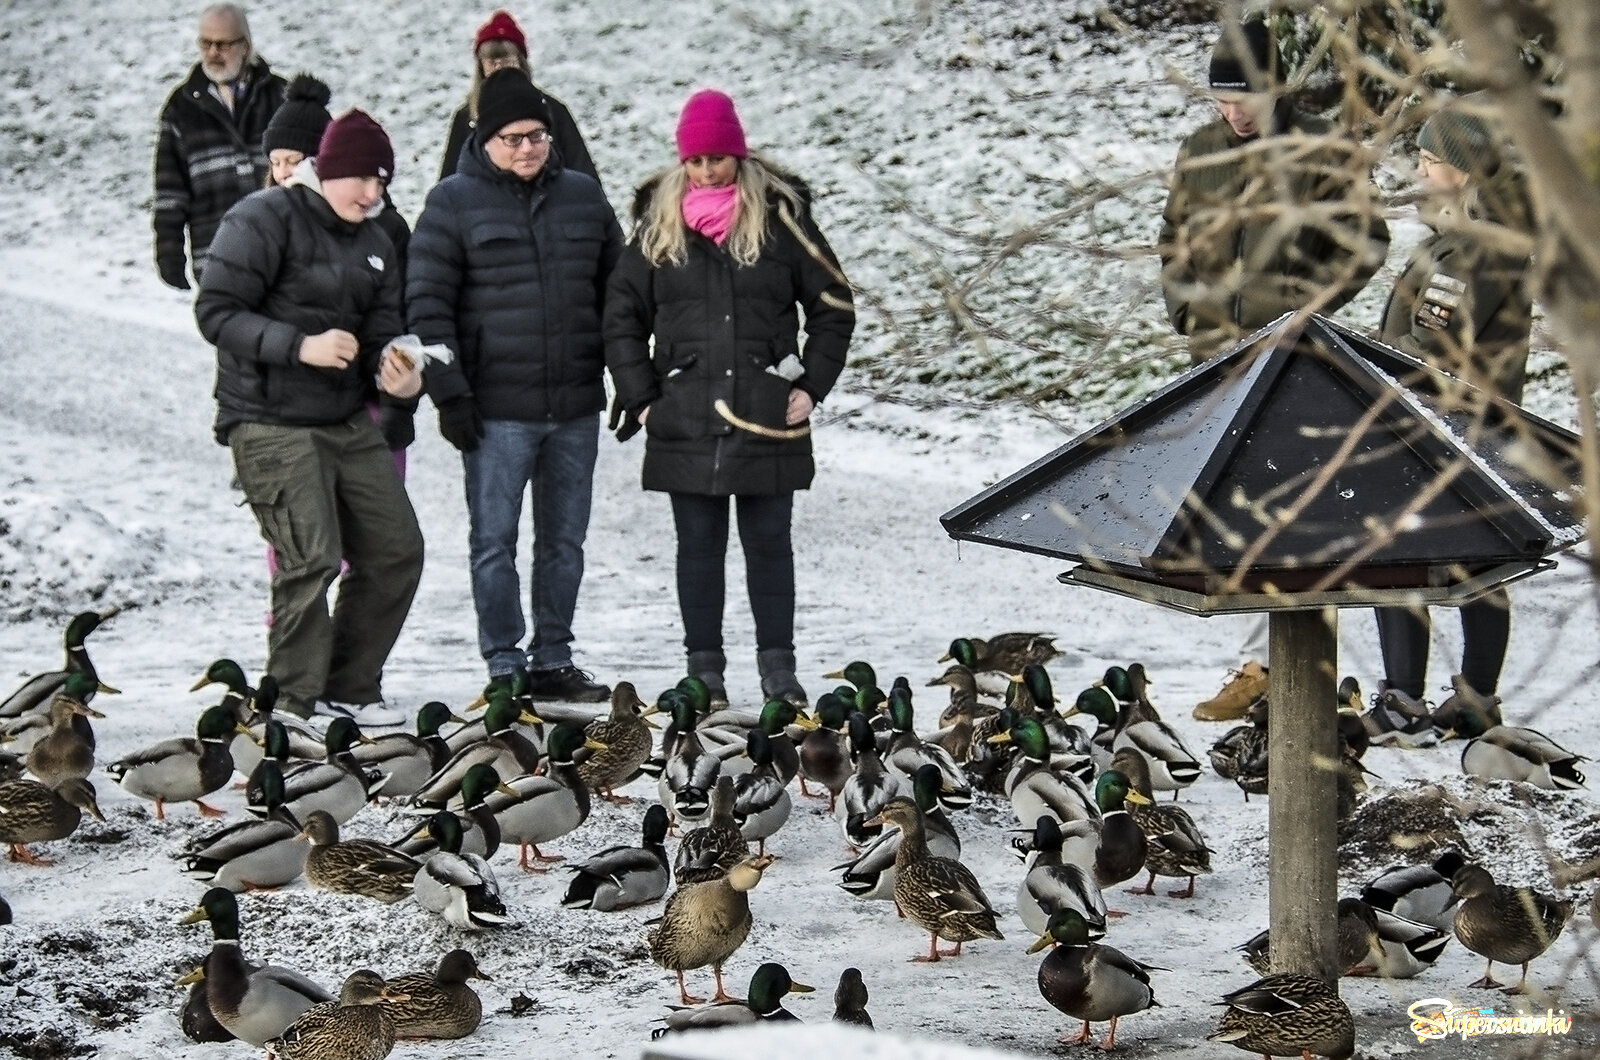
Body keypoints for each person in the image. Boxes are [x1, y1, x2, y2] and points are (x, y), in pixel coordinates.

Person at [1159, 19, 1390, 720]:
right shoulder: (1200, 148)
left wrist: (1305, 310)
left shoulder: (1321, 147)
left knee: (1289, 507)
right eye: (1222, 99)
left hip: (1295, 359)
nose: (1233, 113)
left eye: (1246, 99)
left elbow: (1367, 240)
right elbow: (1173, 237)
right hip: (1218, 358)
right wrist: (1190, 317)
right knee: (1235, 507)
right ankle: (1259, 664)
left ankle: (1283, 665)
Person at [604, 89, 855, 708]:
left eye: (718, 157)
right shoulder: (656, 227)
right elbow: (619, 317)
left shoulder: (782, 220)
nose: (708, 170)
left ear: (738, 154)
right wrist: (643, 399)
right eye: (696, 160)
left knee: (770, 546)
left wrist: (810, 386)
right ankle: (705, 672)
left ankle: (778, 670)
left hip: (768, 417)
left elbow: (834, 308)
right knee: (698, 549)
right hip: (683, 419)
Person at [196, 109, 425, 725]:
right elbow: (216, 311)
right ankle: (292, 700)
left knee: (397, 549)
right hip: (267, 418)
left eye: (383, 181)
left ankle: (348, 687)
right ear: (329, 171)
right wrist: (301, 346)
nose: (373, 194)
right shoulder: (262, 217)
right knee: (312, 557)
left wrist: (398, 375)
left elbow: (382, 333)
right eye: (362, 180)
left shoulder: (378, 240)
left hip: (345, 417)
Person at [407, 69, 622, 702]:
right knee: (493, 542)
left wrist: (631, 378)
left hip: (575, 404)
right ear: (484, 139)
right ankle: (505, 661)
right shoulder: (451, 202)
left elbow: (621, 296)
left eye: (537, 136)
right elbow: (427, 303)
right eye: (511, 138)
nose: (526, 148)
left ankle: (554, 656)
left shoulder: (585, 197)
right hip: (495, 411)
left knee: (564, 542)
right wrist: (450, 394)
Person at [1372, 102, 1534, 731]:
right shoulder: (1459, 241)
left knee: (1428, 558)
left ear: (1463, 173)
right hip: (1441, 428)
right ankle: (1463, 698)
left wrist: (1359, 357)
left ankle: (1419, 702)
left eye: (1430, 160)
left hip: (1449, 428)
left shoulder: (1475, 253)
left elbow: (1431, 348)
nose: (1419, 169)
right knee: (1465, 559)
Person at [258, 74, 414, 601]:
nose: (285, 173)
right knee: (299, 541)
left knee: (368, 539)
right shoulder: (264, 225)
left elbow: (399, 316)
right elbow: (234, 316)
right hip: (290, 408)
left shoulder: (386, 232)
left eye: (296, 161)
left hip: (365, 406)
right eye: (277, 161)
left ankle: (351, 657)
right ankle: (295, 649)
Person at [154, 3, 287, 290]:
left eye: (223, 44)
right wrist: (169, 253)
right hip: (217, 256)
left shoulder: (281, 97)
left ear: (245, 46)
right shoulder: (181, 107)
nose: (213, 53)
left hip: (284, 254)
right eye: (206, 43)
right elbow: (170, 191)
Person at [436, 9, 602, 191]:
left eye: (506, 61)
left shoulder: (553, 110)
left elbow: (584, 174)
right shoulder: (466, 118)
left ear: (521, 62)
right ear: (481, 67)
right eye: (492, 63)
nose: (499, 69)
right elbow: (448, 183)